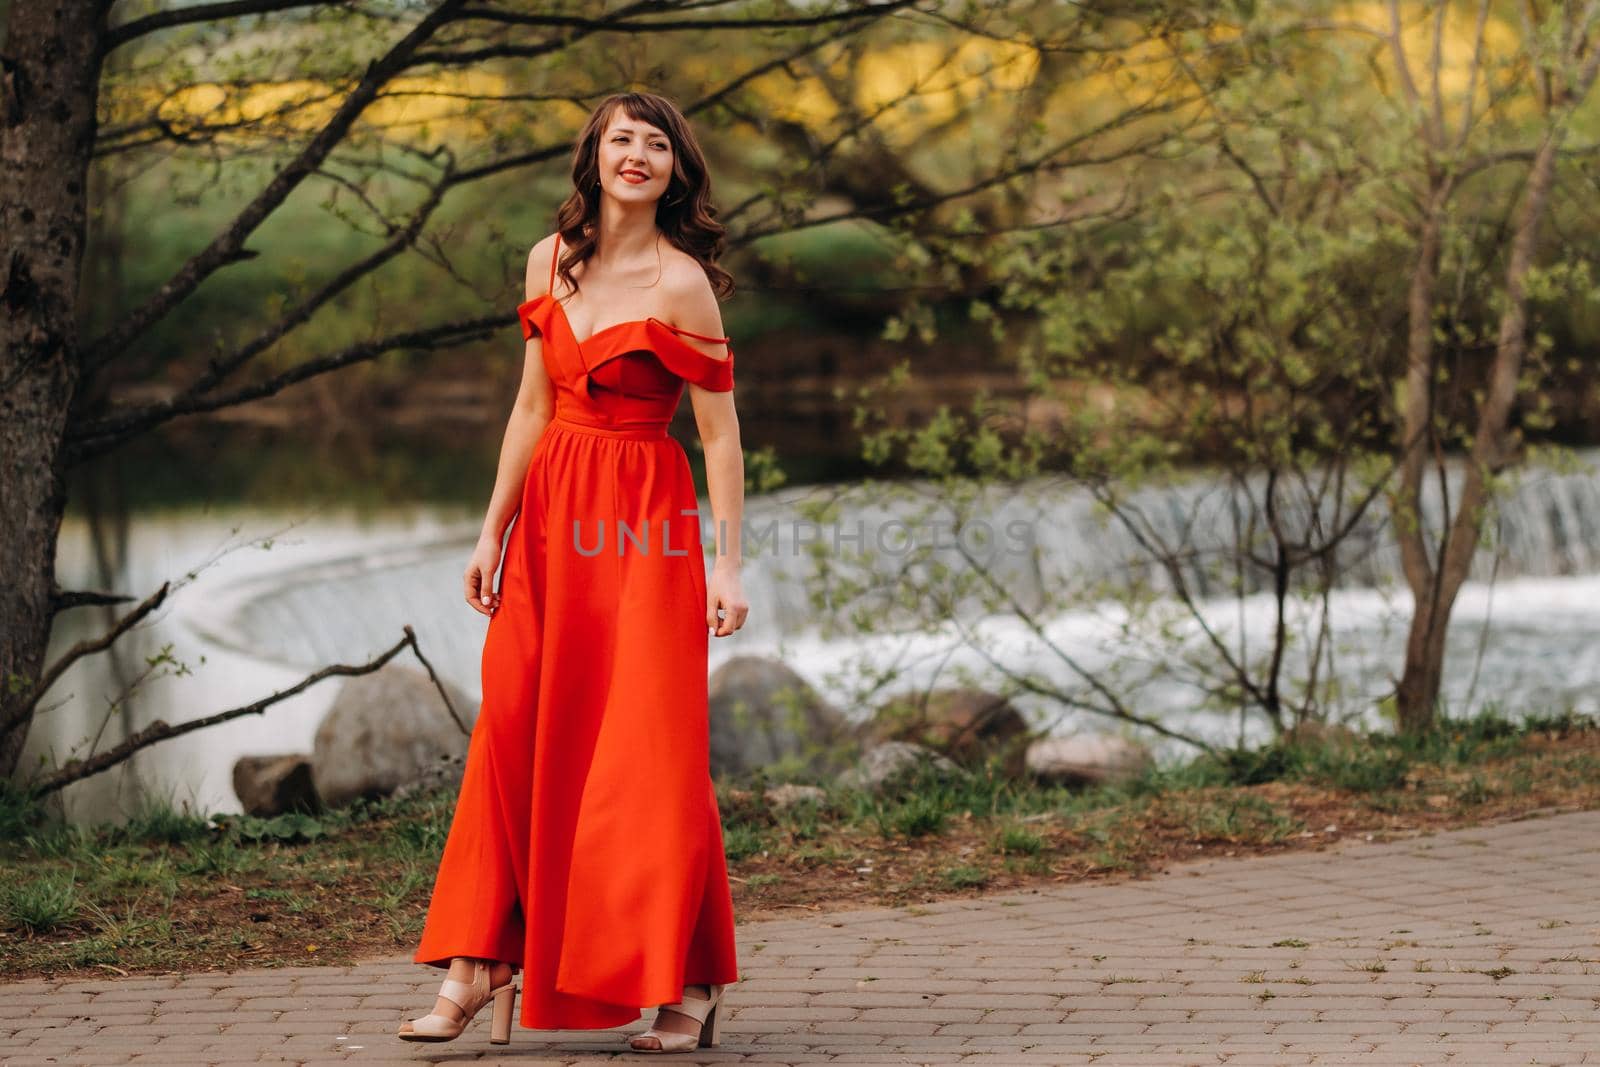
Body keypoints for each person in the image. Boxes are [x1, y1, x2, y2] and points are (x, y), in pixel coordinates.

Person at [398, 90, 748, 1053]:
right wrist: (489, 532)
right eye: (621, 140)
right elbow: (529, 409)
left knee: (645, 755)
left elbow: (719, 439)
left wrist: (728, 566)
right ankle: (479, 964)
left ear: (676, 170)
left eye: (657, 145)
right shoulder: (547, 261)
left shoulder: (684, 285)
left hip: (644, 526)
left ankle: (689, 980)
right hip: (552, 522)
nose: (637, 155)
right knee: (514, 735)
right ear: (593, 157)